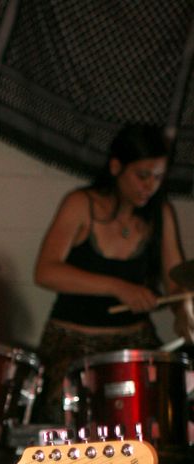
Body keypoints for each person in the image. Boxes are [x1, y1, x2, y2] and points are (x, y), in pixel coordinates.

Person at [33, 123, 194, 421]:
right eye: (142, 176)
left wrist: (185, 309)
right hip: (73, 341)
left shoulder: (161, 213)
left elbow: (176, 282)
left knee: (169, 406)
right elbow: (45, 271)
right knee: (66, 413)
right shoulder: (81, 204)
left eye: (158, 177)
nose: (150, 186)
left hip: (134, 342)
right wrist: (118, 287)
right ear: (116, 166)